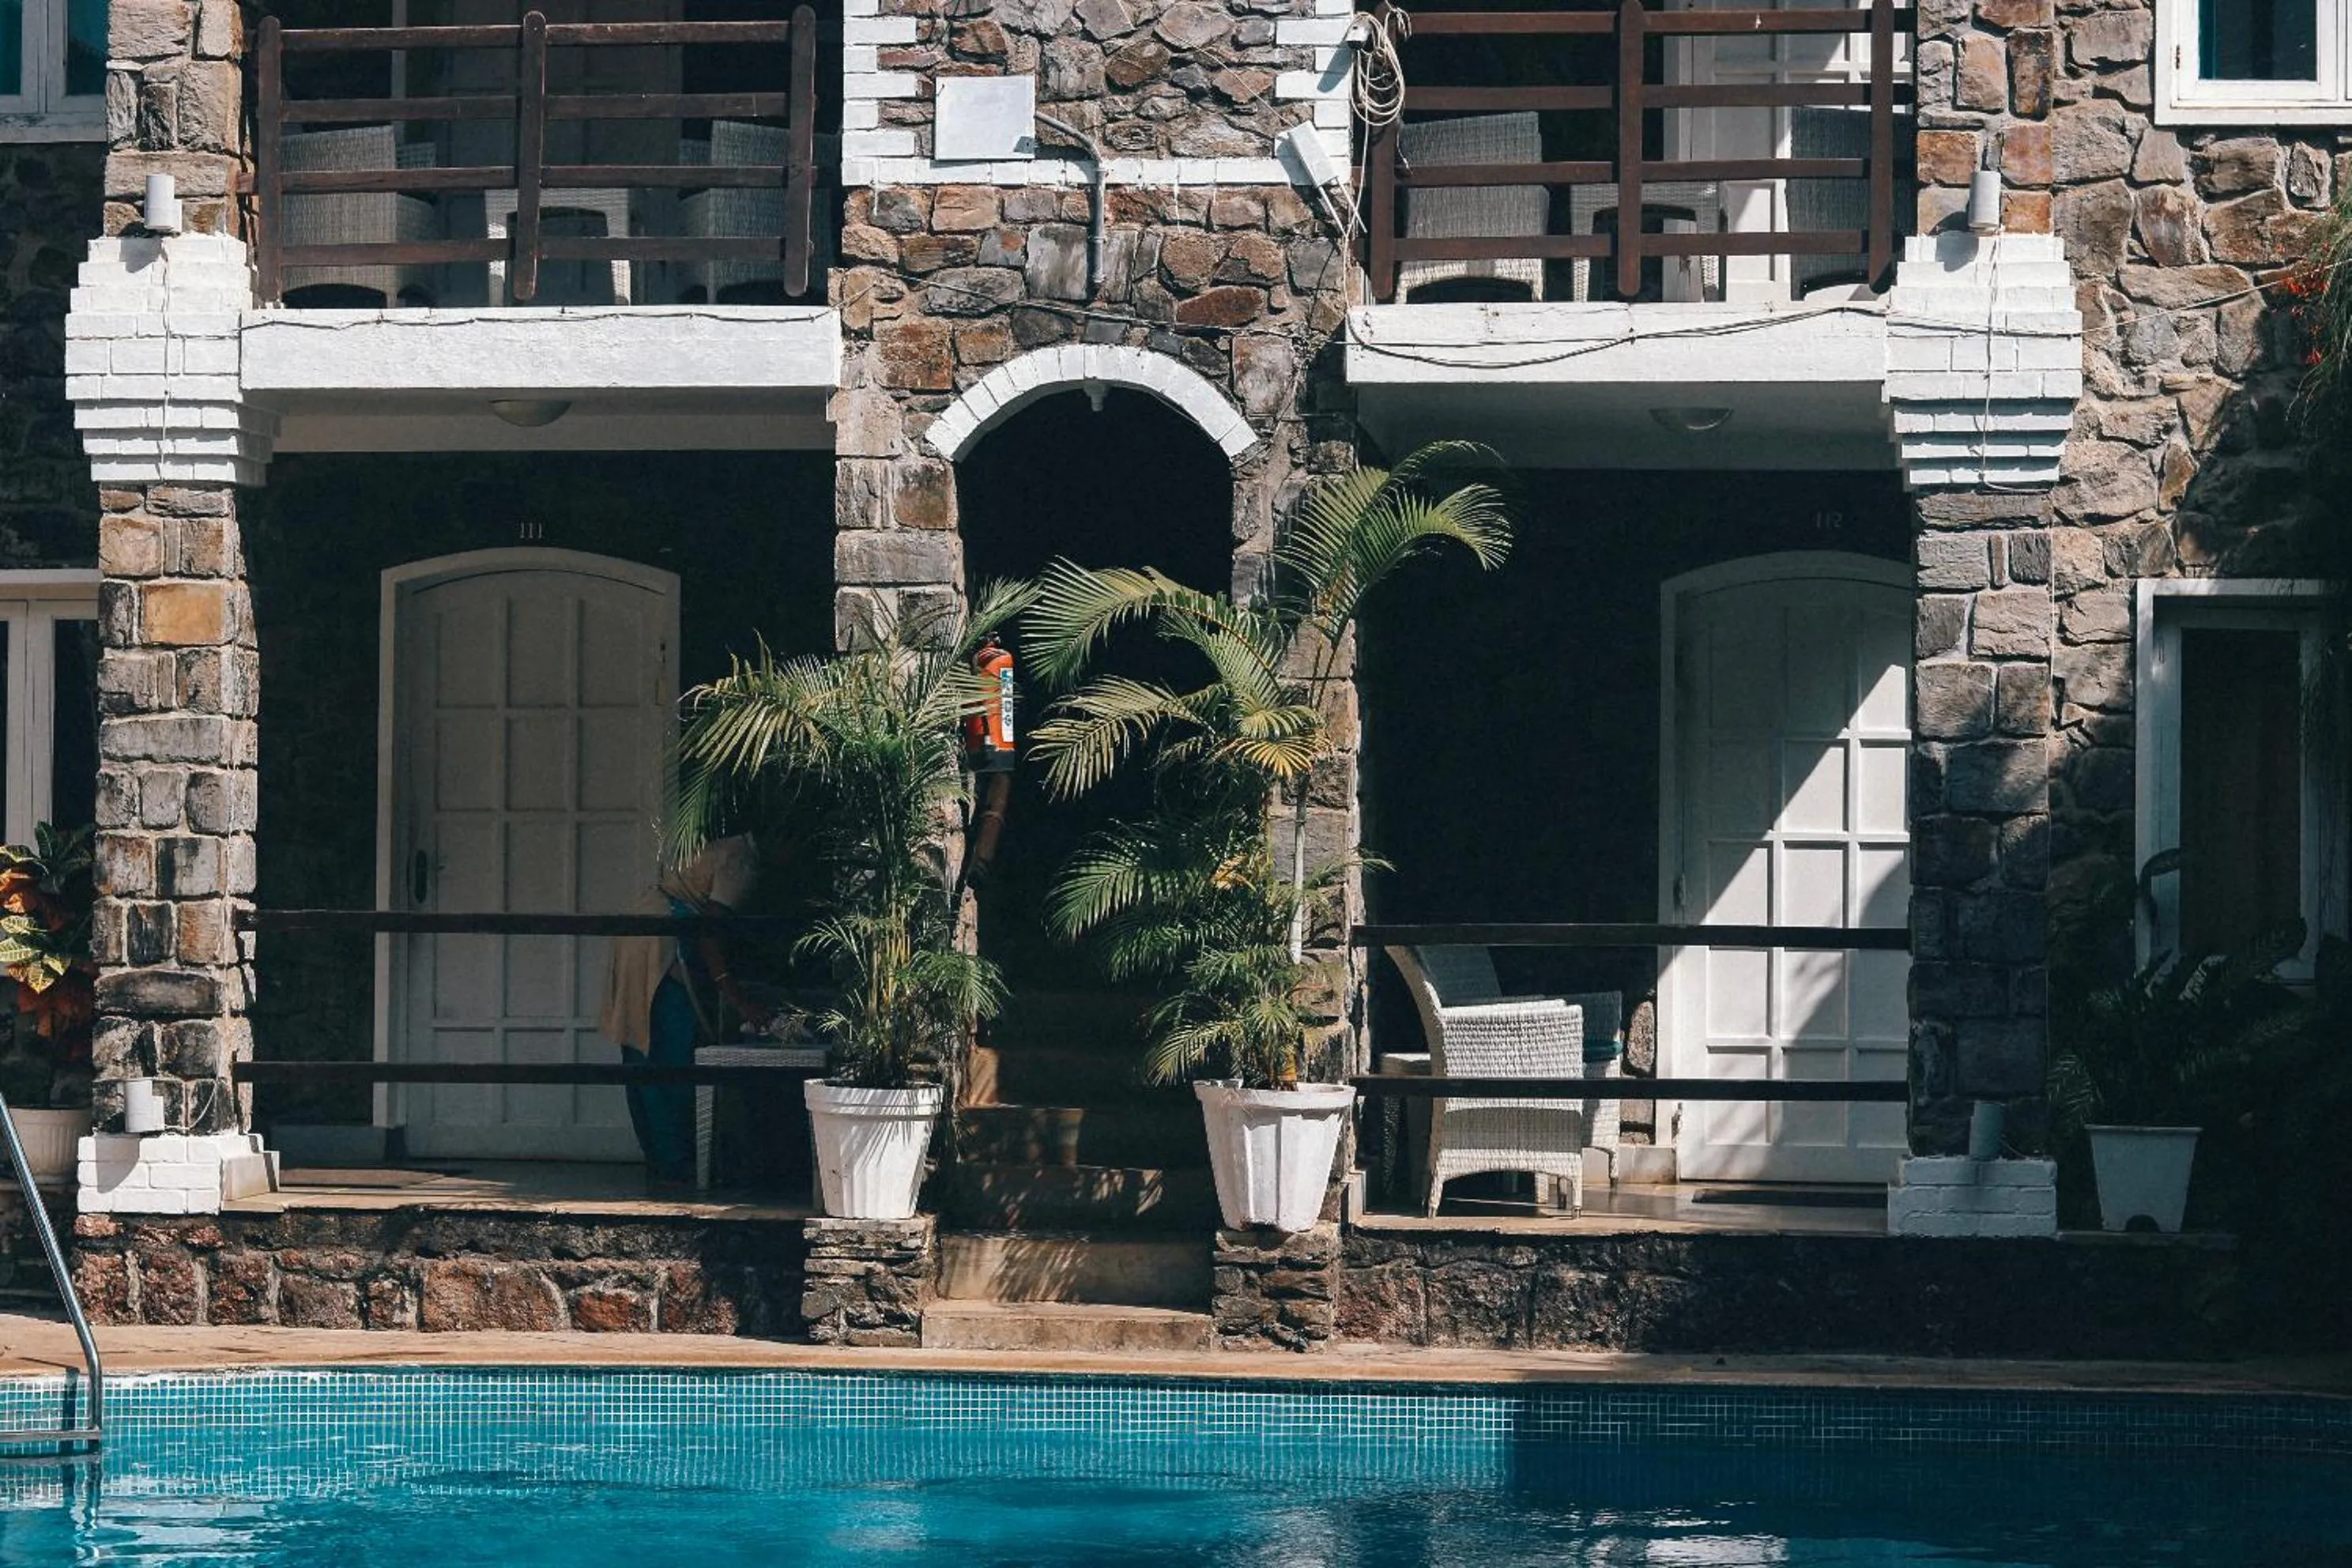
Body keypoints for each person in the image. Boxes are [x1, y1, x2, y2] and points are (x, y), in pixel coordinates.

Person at [601, 832, 766, 1186]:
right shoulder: (743, 861)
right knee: (664, 1047)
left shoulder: (728, 849)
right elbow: (709, 930)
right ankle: (674, 1161)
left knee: (644, 1048)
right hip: (661, 937)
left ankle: (661, 1157)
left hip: (644, 928)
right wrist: (736, 996)